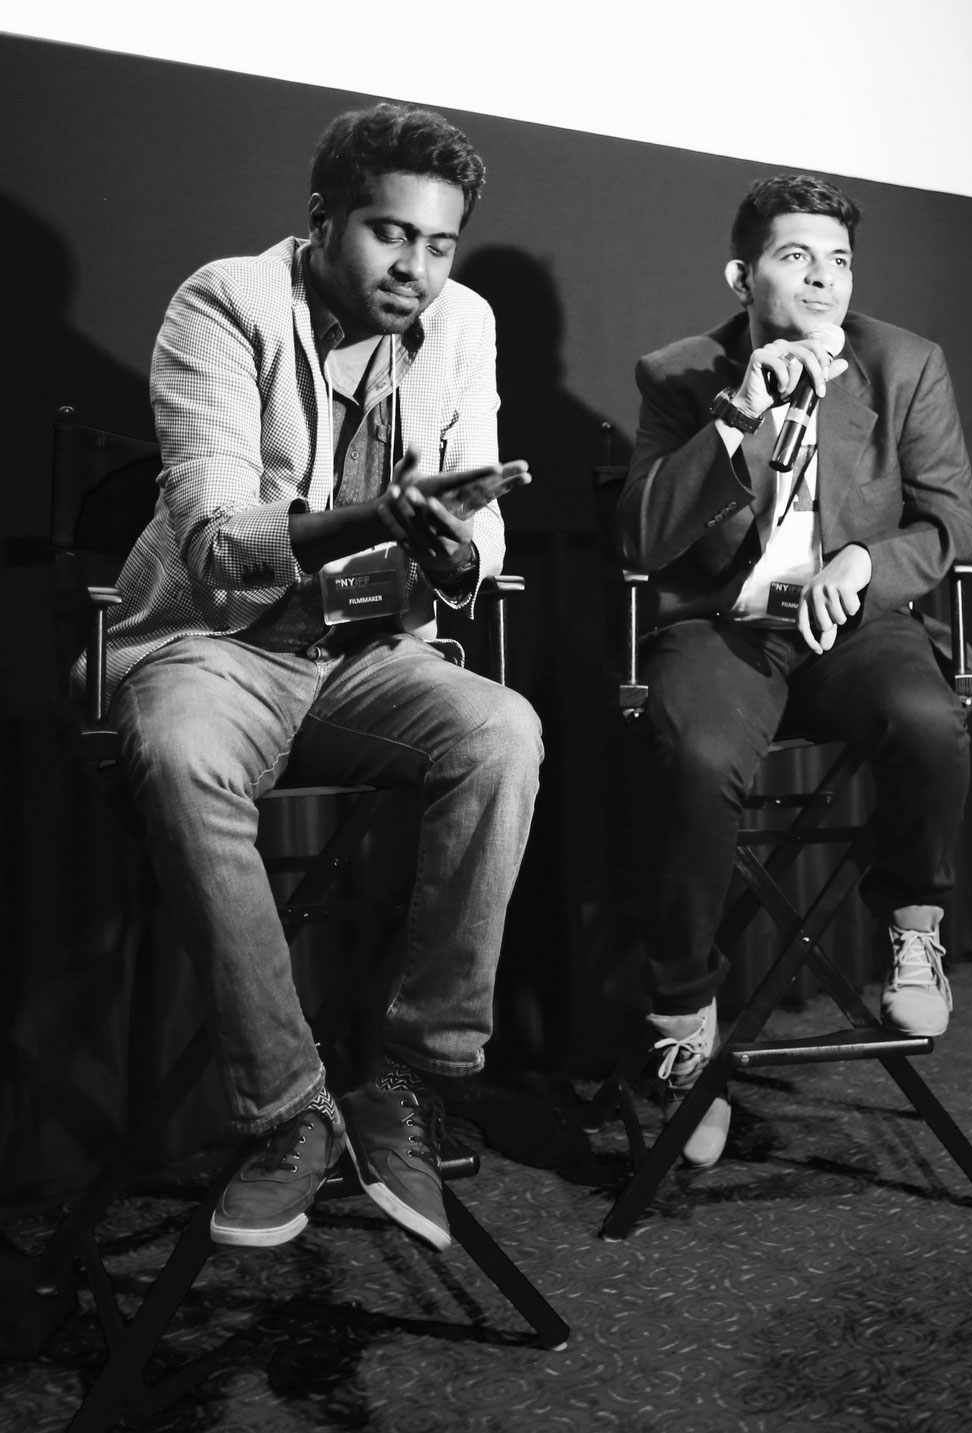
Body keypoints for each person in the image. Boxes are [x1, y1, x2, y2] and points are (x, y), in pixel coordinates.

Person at [73, 103, 543, 1254]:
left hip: (364, 657)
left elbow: (481, 528)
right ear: (323, 219)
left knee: (503, 731)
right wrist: (378, 515)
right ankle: (291, 1111)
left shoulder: (464, 321)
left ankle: (414, 1079)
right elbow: (217, 541)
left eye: (440, 244)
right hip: (213, 645)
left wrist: (457, 549)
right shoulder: (225, 303)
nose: (417, 268)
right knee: (183, 754)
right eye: (391, 234)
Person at [618, 173, 972, 1168]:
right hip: (726, 628)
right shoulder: (680, 375)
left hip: (856, 626)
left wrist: (866, 561)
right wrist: (738, 414)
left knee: (929, 719)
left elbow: (954, 520)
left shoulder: (903, 363)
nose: (824, 278)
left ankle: (913, 918)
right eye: (796, 256)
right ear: (741, 277)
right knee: (698, 755)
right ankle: (684, 1012)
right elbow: (644, 538)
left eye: (839, 260)